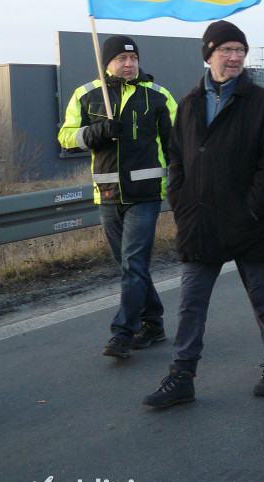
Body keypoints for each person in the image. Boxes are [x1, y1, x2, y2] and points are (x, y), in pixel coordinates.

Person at [143, 20, 264, 408]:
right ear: (208, 55)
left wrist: (254, 208)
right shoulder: (190, 103)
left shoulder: (262, 103)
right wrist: (181, 201)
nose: (235, 57)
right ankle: (182, 375)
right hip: (200, 220)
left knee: (263, 297)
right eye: (226, 50)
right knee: (191, 302)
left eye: (240, 50)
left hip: (248, 220)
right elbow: (176, 157)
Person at [58, 35, 176, 359]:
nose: (129, 64)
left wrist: (183, 184)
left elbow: (177, 144)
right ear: (107, 63)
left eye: (133, 58)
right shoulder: (86, 95)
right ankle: (153, 323)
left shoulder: (158, 96)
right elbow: (66, 139)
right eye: (122, 59)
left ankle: (123, 333)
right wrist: (99, 132)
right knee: (129, 266)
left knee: (134, 264)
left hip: (147, 194)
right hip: (108, 195)